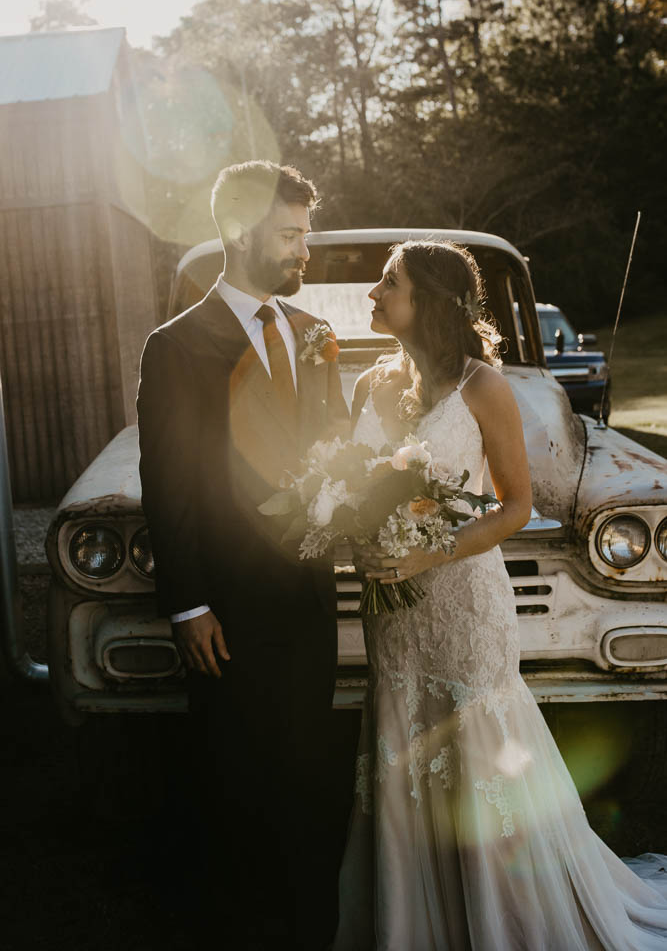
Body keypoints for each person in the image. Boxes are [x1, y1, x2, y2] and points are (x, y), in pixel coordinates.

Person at [333, 239, 667, 950]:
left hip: (461, 600)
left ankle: (502, 921)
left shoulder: (482, 386)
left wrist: (431, 550)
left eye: (386, 284)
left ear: (427, 298)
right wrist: (353, 525)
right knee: (403, 741)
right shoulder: (368, 387)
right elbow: (353, 481)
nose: (372, 297)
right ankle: (414, 921)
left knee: (477, 749)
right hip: (393, 611)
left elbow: (514, 506)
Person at [136, 161, 349, 950]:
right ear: (240, 233)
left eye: (304, 236)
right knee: (233, 778)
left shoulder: (310, 334)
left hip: (309, 598)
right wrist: (187, 604)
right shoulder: (176, 346)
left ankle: (309, 927)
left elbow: (332, 452)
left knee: (307, 774)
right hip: (224, 610)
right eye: (289, 237)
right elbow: (170, 481)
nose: (303, 254)